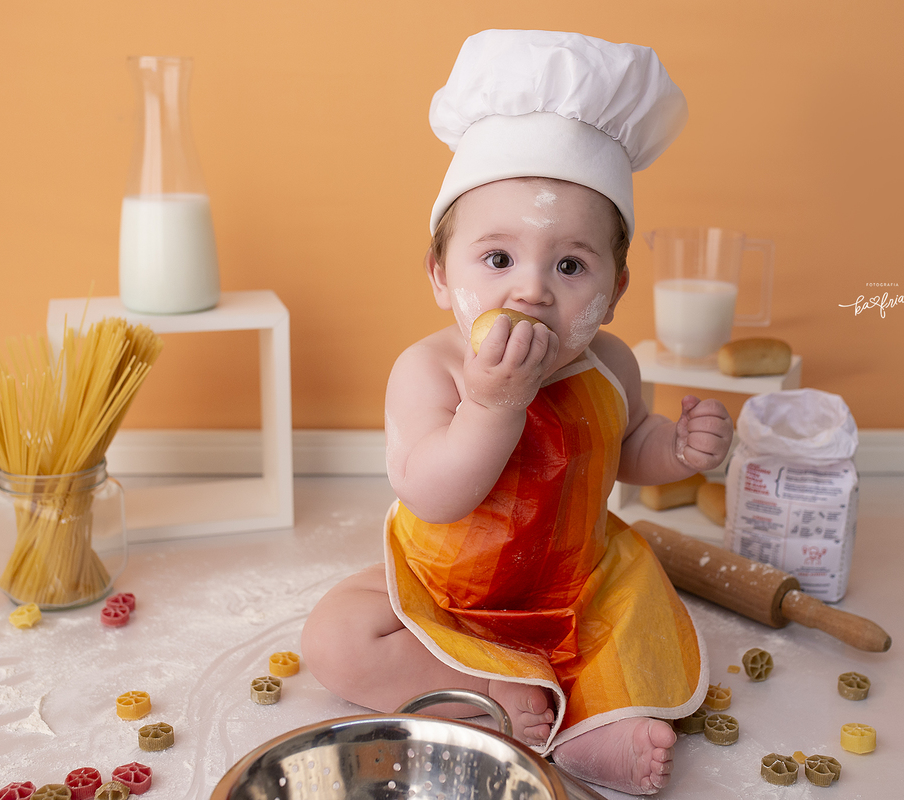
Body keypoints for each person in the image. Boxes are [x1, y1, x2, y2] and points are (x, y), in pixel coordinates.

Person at [302, 30, 732, 794]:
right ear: (440, 274)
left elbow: (629, 446)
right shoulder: (428, 369)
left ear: (617, 287)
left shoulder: (611, 363)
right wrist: (492, 405)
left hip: (575, 587)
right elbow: (436, 495)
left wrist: (680, 450)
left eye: (570, 265)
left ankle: (596, 730)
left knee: (631, 627)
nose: (531, 290)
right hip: (448, 597)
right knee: (336, 637)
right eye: (496, 259)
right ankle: (483, 689)